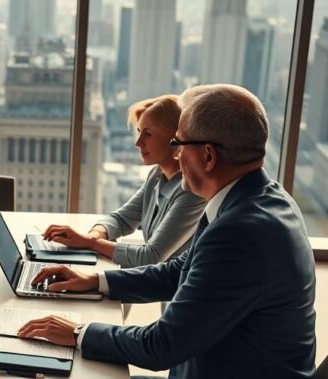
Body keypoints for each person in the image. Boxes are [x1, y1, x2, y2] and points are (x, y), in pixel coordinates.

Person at [18, 84, 317, 379]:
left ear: (207, 155)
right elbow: (177, 271)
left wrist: (78, 332)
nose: (175, 154)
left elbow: (162, 346)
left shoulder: (241, 231)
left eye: (179, 144)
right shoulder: (255, 199)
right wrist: (98, 281)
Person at [41, 95, 206, 267]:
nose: (138, 142)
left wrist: (90, 244)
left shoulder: (192, 191)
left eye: (148, 134)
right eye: (139, 132)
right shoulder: (157, 175)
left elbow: (150, 257)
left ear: (175, 139)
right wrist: (94, 235)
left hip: (171, 290)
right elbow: (121, 219)